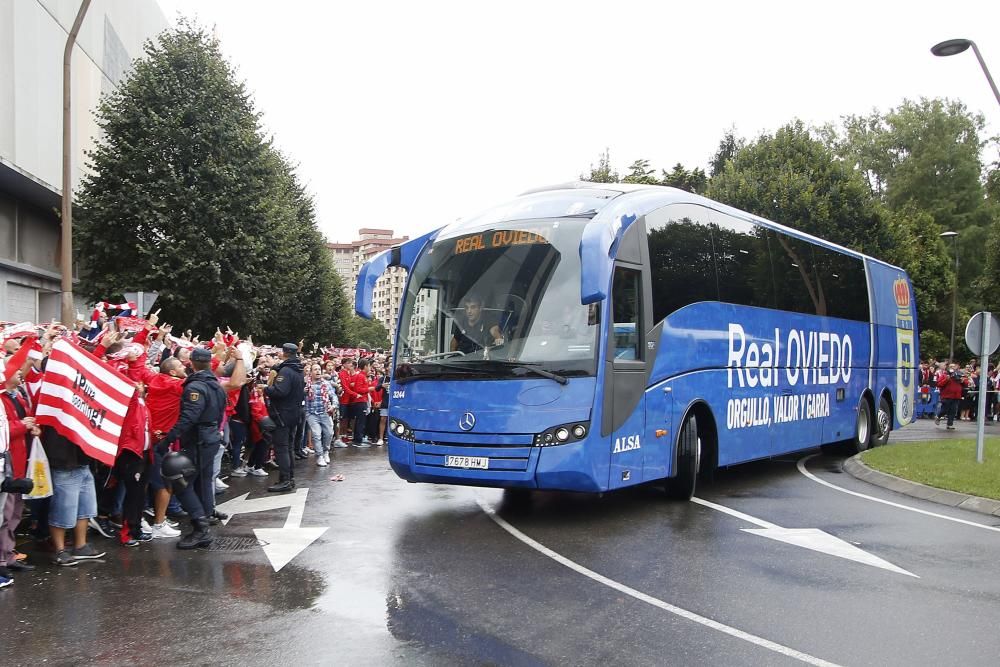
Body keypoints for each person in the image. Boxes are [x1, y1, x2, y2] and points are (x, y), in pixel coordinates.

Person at [155, 347, 227, 549]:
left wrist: (167, 439)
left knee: (182, 483)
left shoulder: (196, 387)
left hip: (198, 440)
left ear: (191, 364)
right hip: (210, 437)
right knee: (202, 483)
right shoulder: (216, 385)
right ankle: (202, 523)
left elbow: (189, 417)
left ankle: (201, 528)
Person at [264, 343, 305, 492]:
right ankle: (289, 477)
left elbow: (280, 391)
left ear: (285, 353)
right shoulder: (297, 369)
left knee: (282, 448)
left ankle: (285, 479)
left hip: (283, 413)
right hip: (294, 412)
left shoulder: (287, 371)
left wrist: (266, 388)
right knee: (288, 447)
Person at [936, 362, 967, 430]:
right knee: (945, 409)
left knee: (953, 410)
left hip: (956, 396)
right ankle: (938, 416)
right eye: (951, 367)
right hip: (946, 396)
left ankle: (950, 424)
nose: (953, 368)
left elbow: (966, 383)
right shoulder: (944, 375)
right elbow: (939, 384)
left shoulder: (959, 375)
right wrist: (946, 379)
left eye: (954, 366)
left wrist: (963, 381)